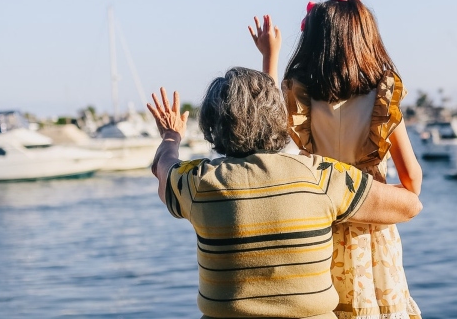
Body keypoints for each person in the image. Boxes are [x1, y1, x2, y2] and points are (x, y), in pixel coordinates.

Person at [148, 67, 423, 319]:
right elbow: (410, 206)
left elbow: (162, 167)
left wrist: (171, 136)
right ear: (279, 119)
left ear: (211, 126)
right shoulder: (321, 176)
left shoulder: (198, 183)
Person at [248, 0, 424, 319]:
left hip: (316, 222)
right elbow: (412, 179)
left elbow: (265, 118)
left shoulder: (299, 94)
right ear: (366, 37)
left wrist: (269, 58)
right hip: (373, 221)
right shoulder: (383, 97)